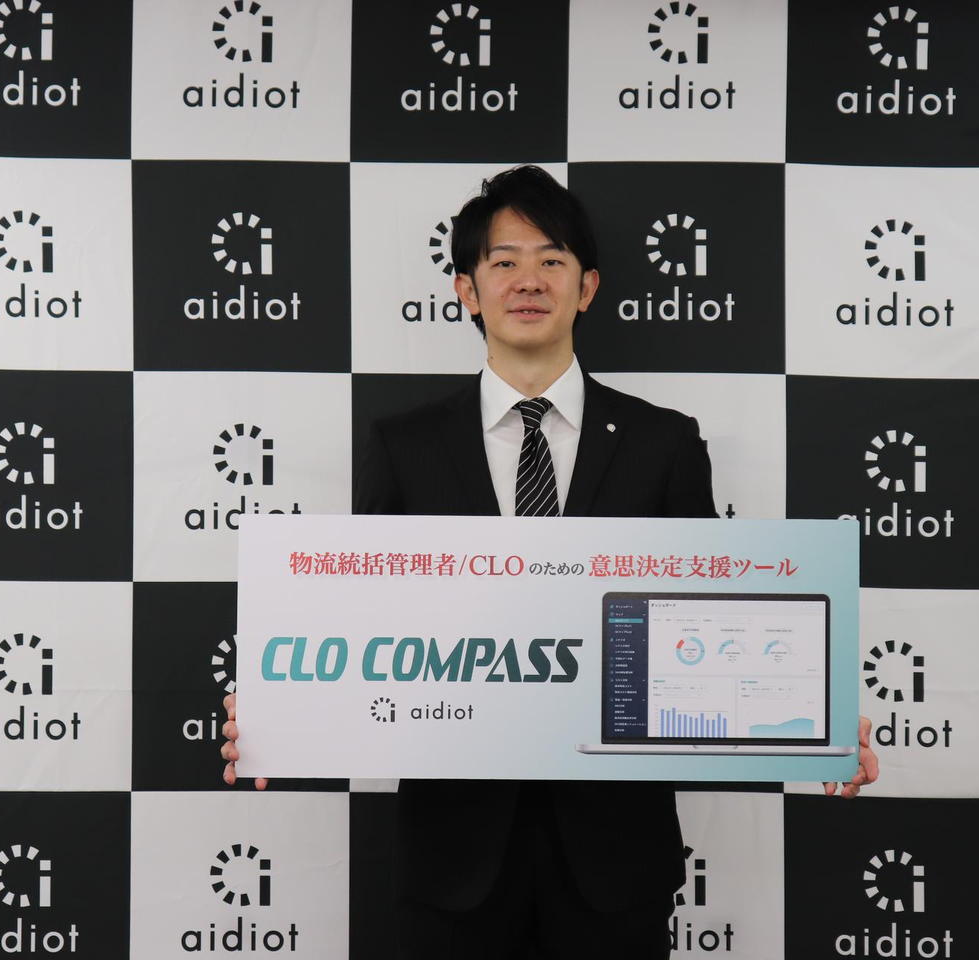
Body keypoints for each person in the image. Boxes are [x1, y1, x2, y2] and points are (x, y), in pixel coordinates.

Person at [221, 165, 879, 957]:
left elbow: (712, 625)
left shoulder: (663, 443)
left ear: (587, 287)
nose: (528, 280)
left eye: (552, 260)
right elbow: (364, 625)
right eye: (503, 261)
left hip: (614, 859)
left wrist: (815, 710)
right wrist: (280, 712)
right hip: (453, 857)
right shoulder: (404, 446)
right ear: (466, 290)